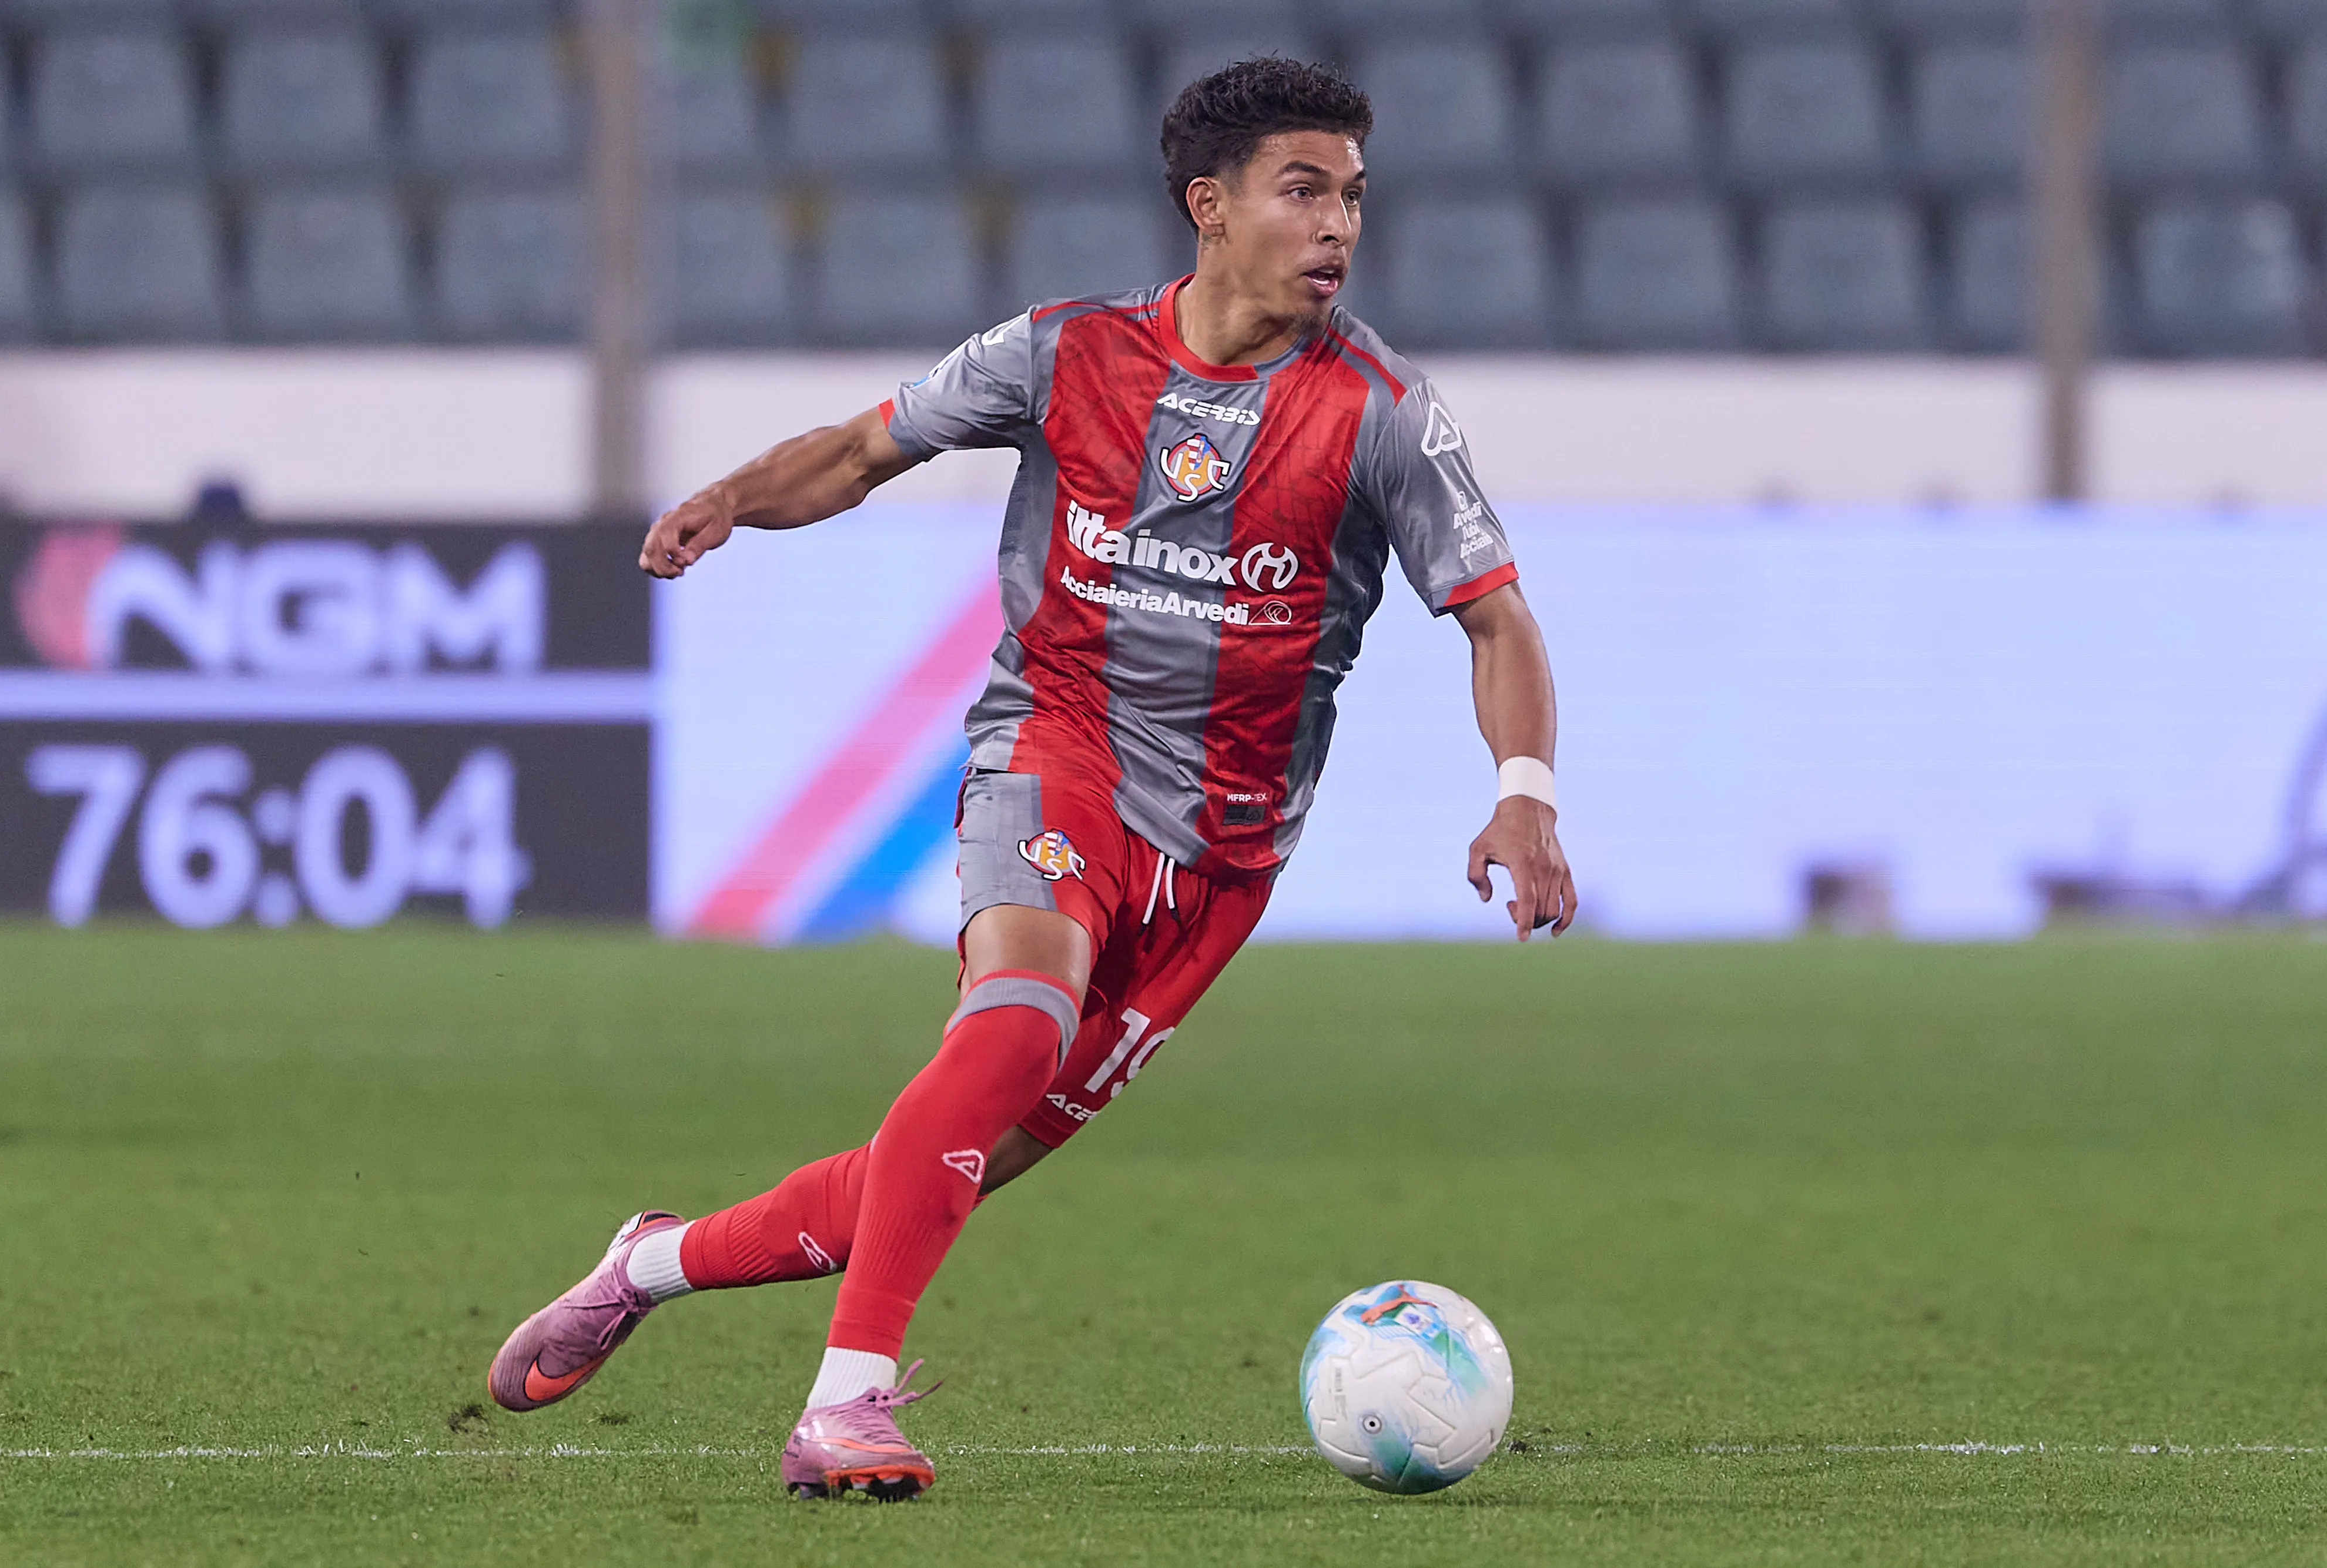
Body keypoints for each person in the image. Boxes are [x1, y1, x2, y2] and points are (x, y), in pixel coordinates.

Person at [486, 56, 1576, 1502]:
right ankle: (843, 1404)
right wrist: (736, 500)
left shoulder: (1380, 409)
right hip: (1053, 748)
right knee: (1007, 1022)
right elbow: (863, 448)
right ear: (1210, 205)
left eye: (1352, 198)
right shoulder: (1064, 354)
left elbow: (1494, 615)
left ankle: (653, 1260)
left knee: (948, 1164)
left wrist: (1525, 790)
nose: (1336, 228)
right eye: (1302, 191)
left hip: (1226, 852)